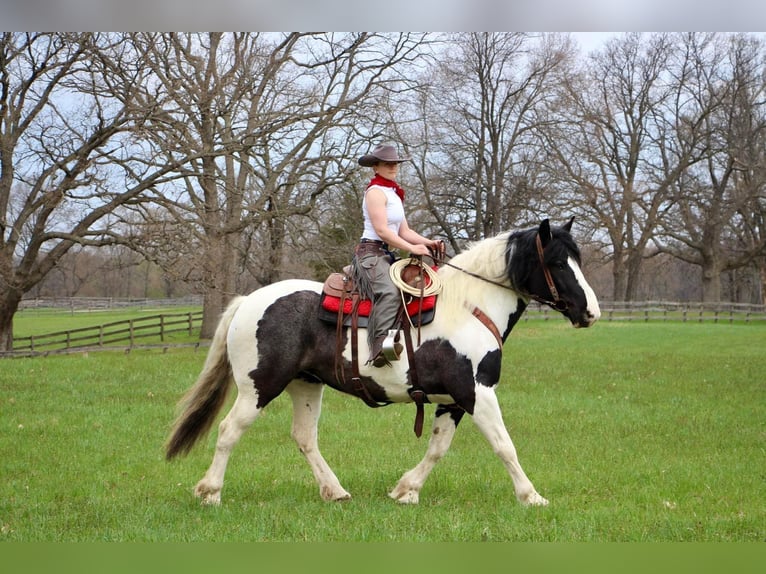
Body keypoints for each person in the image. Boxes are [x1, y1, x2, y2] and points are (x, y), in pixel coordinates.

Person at [352, 143, 443, 367]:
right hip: (370, 254)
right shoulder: (374, 192)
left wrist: (428, 242)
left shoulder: (393, 193)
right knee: (390, 292)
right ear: (376, 167)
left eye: (395, 164)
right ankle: (378, 347)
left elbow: (404, 231)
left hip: (385, 253)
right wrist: (412, 249)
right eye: (387, 164)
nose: (393, 167)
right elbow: (382, 230)